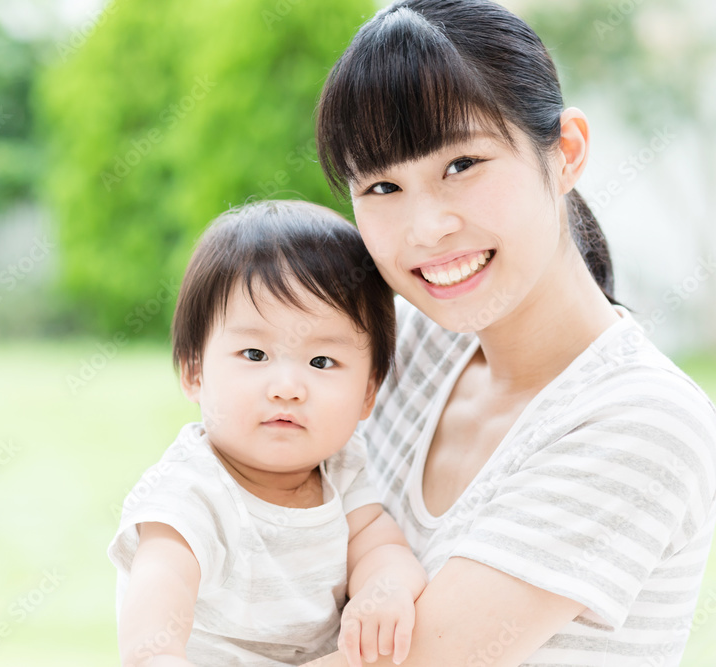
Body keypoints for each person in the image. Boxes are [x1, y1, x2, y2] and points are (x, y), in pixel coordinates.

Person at [306, 1, 716, 666]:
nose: (426, 227)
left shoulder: (642, 421)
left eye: (463, 164)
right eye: (382, 186)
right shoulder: (399, 349)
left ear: (568, 152)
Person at [108, 200, 429, 666]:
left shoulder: (342, 467)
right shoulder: (191, 491)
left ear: (368, 392)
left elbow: (378, 544)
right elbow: (159, 597)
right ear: (195, 370)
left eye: (322, 362)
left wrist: (385, 590)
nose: (287, 389)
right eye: (255, 354)